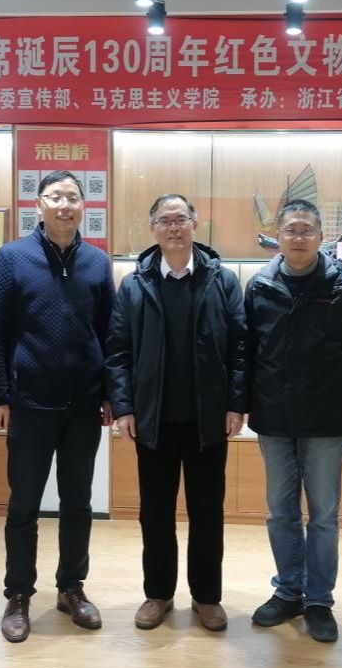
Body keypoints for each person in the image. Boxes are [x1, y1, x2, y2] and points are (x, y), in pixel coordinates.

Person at [0, 170, 114, 642]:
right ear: (37, 204)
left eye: (72, 197)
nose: (64, 205)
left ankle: (71, 588)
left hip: (83, 405)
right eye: (55, 197)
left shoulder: (98, 262)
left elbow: (109, 334)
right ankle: (18, 593)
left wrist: (109, 394)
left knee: (78, 502)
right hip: (29, 403)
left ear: (84, 206)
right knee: (24, 503)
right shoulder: (12, 257)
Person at [106, 194, 247, 632]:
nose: (173, 227)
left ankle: (207, 597)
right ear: (153, 229)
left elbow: (241, 347)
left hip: (208, 418)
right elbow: (118, 351)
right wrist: (124, 407)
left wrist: (236, 403)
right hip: (154, 419)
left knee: (207, 513)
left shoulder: (222, 280)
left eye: (180, 219)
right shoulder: (134, 284)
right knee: (155, 512)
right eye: (165, 221)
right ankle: (158, 594)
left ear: (194, 224)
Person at [245, 198, 342, 643]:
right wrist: (242, 406)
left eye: (307, 230)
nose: (299, 237)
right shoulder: (260, 285)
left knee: (323, 514)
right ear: (277, 237)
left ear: (322, 237)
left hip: (327, 417)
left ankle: (319, 600)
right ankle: (288, 591)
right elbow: (246, 351)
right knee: (280, 511)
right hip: (274, 417)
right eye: (291, 229)